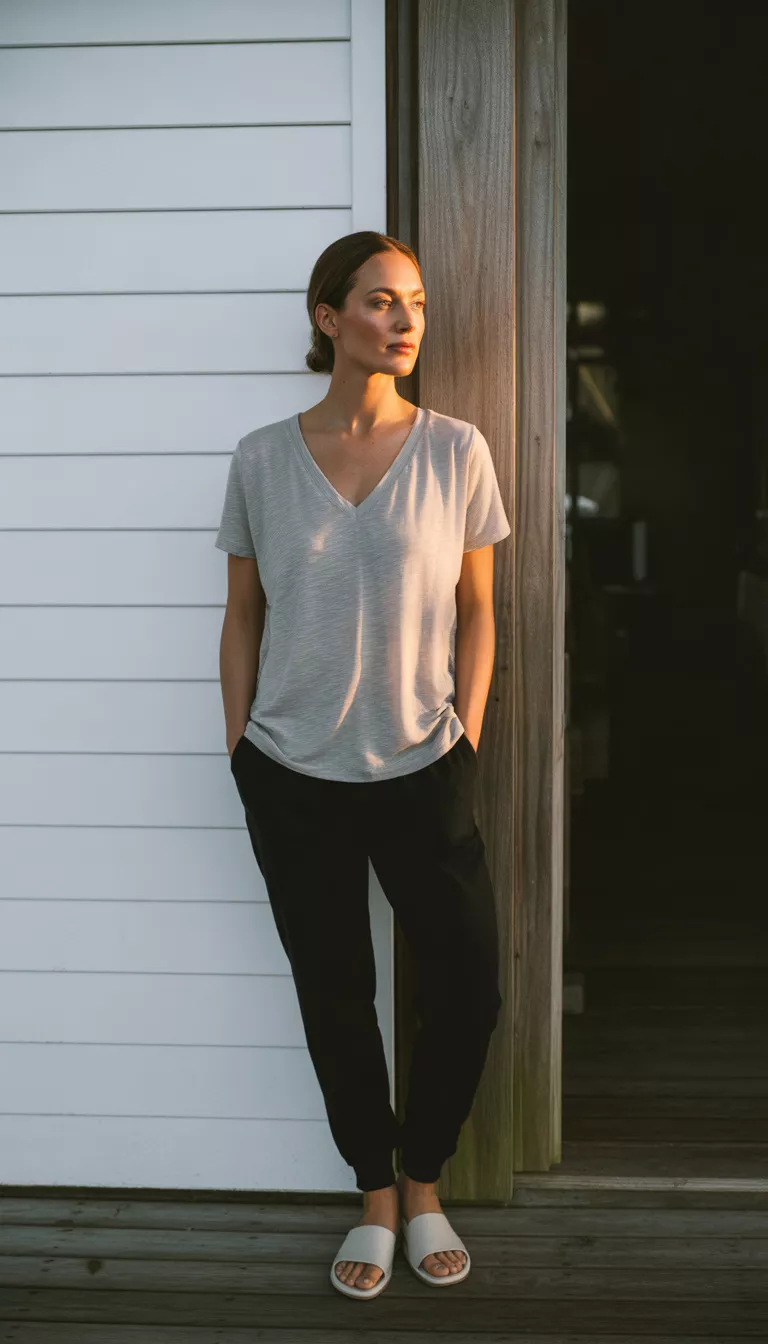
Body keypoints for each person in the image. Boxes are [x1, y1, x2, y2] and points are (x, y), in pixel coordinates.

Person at [214, 231, 511, 1301]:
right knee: (337, 994)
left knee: (468, 988)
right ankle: (377, 1196)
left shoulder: (456, 451)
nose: (405, 319)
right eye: (381, 301)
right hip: (292, 773)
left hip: (424, 764)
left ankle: (425, 1176)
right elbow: (242, 616)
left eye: (415, 301)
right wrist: (242, 746)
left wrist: (465, 737)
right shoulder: (262, 458)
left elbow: (479, 611)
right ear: (328, 317)